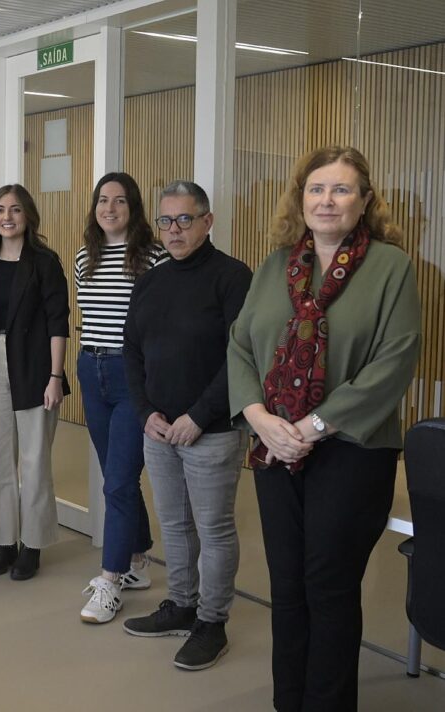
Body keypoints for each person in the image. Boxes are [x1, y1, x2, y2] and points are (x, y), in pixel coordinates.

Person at [228, 146, 421, 710]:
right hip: (274, 447)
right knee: (287, 586)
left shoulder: (390, 267)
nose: (327, 200)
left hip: (351, 449)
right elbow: (239, 346)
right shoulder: (276, 265)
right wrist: (259, 418)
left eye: (341, 189)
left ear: (365, 200)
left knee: (329, 588)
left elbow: (394, 361)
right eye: (316, 188)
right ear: (301, 199)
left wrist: (311, 426)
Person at [122, 180, 251, 670]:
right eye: (165, 221)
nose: (174, 230)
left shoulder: (233, 278)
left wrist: (198, 416)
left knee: (213, 529)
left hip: (211, 431)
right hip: (159, 431)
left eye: (184, 219)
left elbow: (241, 358)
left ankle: (212, 623)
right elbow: (132, 352)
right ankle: (181, 605)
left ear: (207, 221)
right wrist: (145, 413)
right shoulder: (150, 282)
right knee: (174, 524)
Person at [75, 173, 167, 624]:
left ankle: (110, 580)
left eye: (119, 201)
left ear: (134, 207)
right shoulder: (84, 257)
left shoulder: (153, 257)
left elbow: (162, 323)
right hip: (91, 369)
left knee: (117, 480)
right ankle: (137, 558)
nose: (109, 208)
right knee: (119, 476)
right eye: (102, 200)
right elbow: (88, 314)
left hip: (133, 377)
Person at [0, 184, 70, 581]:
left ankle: (33, 544)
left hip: (35, 363)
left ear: (28, 216)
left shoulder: (44, 261)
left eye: (14, 210)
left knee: (34, 459)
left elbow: (58, 322)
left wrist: (55, 376)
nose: (6, 217)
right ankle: (4, 541)